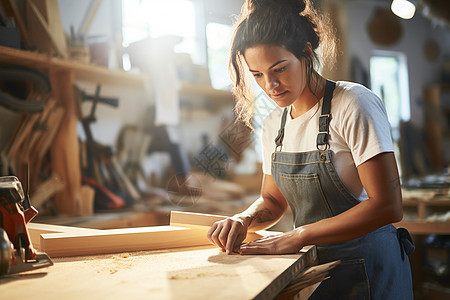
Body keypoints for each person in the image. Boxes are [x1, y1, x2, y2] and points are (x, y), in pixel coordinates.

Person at [206, 0, 414, 298]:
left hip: (371, 270)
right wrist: (244, 218)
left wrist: (299, 235)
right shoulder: (274, 123)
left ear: (306, 53)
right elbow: (272, 200)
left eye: (279, 69)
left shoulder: (353, 103)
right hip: (316, 270)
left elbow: (388, 205)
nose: (271, 85)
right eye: (258, 75)